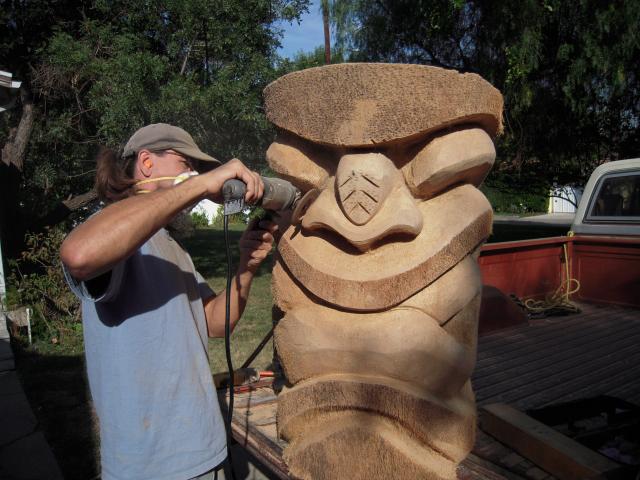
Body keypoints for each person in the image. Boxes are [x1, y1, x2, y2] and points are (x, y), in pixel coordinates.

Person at [60, 123, 277, 480]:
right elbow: (79, 255)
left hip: (203, 447)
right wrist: (200, 185)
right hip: (155, 465)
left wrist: (246, 267)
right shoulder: (115, 230)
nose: (194, 174)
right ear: (147, 163)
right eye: (186, 164)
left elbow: (215, 323)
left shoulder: (170, 245)